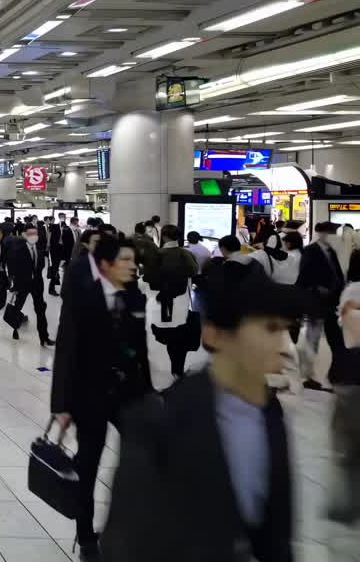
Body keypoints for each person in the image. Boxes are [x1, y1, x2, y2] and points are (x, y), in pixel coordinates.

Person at [100, 260, 305, 562]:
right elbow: (125, 542)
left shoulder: (270, 414)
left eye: (287, 329)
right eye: (270, 329)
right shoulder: (157, 419)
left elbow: (275, 538)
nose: (286, 346)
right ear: (215, 335)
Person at [51, 236, 153, 560]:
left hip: (127, 393)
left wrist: (148, 393)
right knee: (88, 466)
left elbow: (141, 352)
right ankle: (86, 537)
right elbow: (66, 352)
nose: (132, 266)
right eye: (125, 260)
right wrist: (61, 406)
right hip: (89, 394)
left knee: (141, 459)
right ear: (106, 265)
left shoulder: (135, 297)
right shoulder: (83, 297)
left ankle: (127, 527)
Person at [142, 224, 200, 378]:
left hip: (162, 302)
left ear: (165, 236)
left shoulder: (158, 254)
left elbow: (148, 277)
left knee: (165, 336)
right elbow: (194, 271)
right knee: (180, 335)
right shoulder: (185, 254)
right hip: (182, 301)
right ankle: (177, 369)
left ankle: (168, 372)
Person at [297, 221, 346, 391]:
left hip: (331, 303)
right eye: (332, 232)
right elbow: (304, 276)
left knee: (335, 340)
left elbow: (337, 275)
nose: (334, 235)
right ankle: (309, 375)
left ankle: (336, 375)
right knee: (313, 338)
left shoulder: (331, 251)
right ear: (322, 233)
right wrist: (316, 288)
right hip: (316, 302)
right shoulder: (311, 251)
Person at [7, 224, 51, 346]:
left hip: (37, 284)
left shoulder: (39, 248)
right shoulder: (18, 249)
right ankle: (15, 329)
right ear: (25, 235)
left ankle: (44, 337)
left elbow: (40, 266)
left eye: (35, 234)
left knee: (40, 310)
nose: (34, 236)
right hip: (22, 284)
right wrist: (14, 285)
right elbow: (14, 267)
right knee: (17, 307)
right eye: (31, 234)